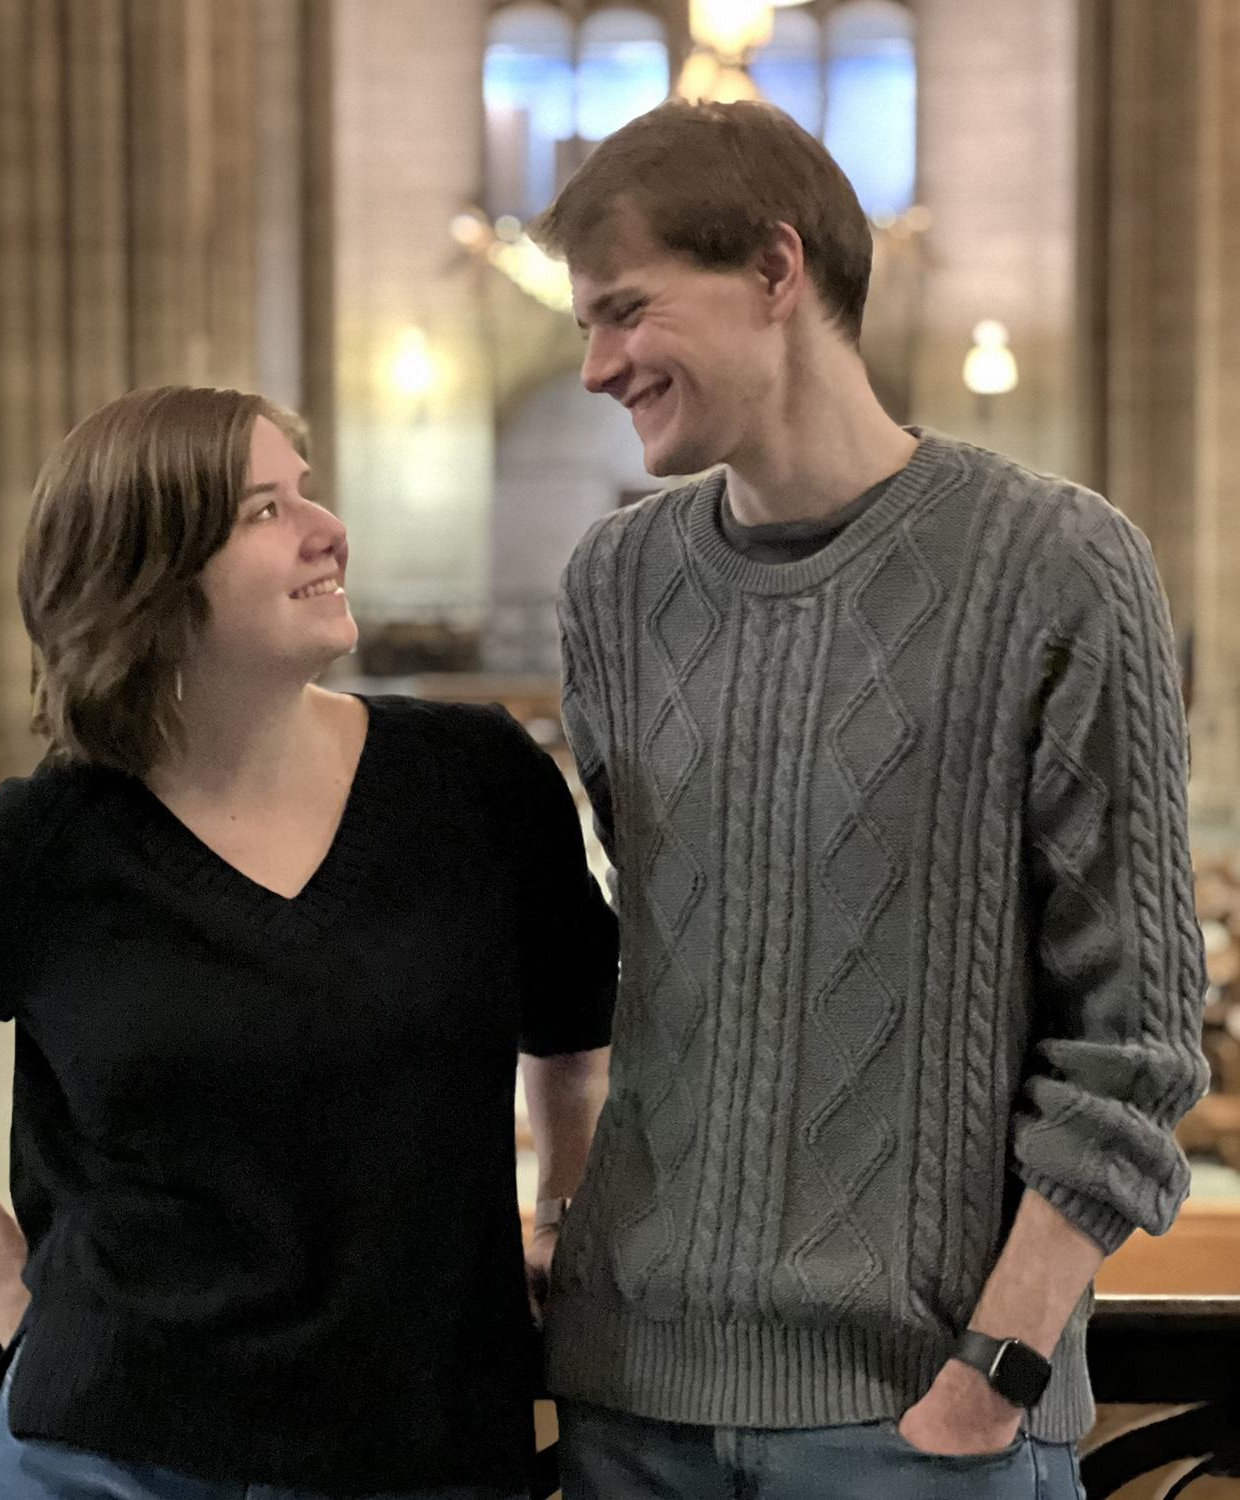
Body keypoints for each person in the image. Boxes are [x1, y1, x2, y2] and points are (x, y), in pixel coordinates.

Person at [529, 99, 1209, 1500]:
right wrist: (565, 1209)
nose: (596, 366)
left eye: (627, 311)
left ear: (776, 269)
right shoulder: (615, 584)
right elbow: (649, 958)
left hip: (917, 1425)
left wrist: (996, 1370)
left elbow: (1135, 1036)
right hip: (630, 1406)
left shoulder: (1057, 563)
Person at [0, 385, 617, 1500]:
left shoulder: (472, 781)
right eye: (263, 510)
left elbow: (575, 1014)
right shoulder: (51, 841)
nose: (328, 531)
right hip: (113, 1456)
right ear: (149, 575)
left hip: (421, 1447)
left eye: (307, 493)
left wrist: (561, 1210)